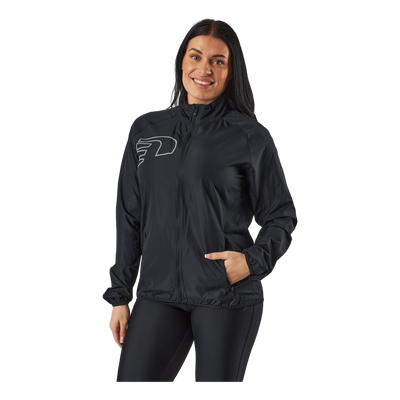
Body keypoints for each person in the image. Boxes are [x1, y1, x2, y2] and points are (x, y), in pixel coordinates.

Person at [101, 16, 300, 385]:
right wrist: (119, 295)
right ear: (181, 62)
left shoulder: (250, 135)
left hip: (225, 294)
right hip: (158, 293)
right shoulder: (145, 129)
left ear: (231, 71)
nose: (204, 69)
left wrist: (251, 262)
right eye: (196, 56)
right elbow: (129, 216)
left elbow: (282, 214)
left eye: (217, 61)